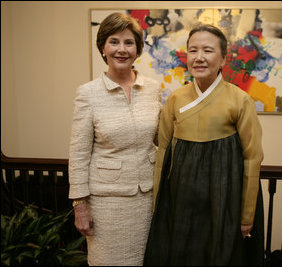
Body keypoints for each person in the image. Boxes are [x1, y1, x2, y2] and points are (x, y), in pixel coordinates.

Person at [144, 24, 264, 266]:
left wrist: (246, 214)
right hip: (181, 198)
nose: (199, 57)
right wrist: (159, 203)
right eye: (192, 50)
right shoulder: (176, 99)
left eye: (207, 51)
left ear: (222, 59)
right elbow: (163, 152)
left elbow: (252, 157)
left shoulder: (240, 100)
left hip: (224, 198)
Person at [68, 12, 162, 266]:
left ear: (138, 49)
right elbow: (78, 153)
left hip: (147, 200)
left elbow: (161, 139)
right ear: (103, 47)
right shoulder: (87, 94)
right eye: (114, 41)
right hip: (106, 203)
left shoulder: (153, 89)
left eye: (129, 43)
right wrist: (80, 205)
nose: (122, 49)